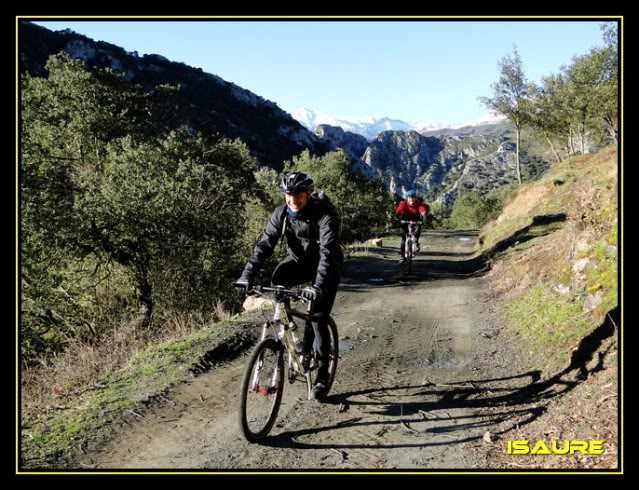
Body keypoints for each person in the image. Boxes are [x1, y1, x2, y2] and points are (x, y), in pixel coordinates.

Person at [235, 171, 343, 401]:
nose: (293, 199)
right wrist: (247, 276)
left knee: (317, 319)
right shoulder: (281, 214)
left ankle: (322, 376)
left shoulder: (324, 213)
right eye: (288, 194)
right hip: (298, 262)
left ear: (308, 194)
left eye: (298, 195)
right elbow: (264, 246)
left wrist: (318, 285)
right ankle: (289, 328)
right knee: (278, 283)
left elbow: (328, 251)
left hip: (326, 266)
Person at [396, 189, 429, 263]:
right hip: (405, 220)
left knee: (419, 228)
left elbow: (423, 212)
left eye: (413, 198)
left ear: (415, 198)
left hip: (416, 220)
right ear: (407, 198)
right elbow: (399, 210)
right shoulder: (403, 203)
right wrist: (397, 217)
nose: (411, 199)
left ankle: (416, 241)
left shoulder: (419, 204)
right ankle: (402, 257)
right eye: (410, 198)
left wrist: (425, 220)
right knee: (403, 239)